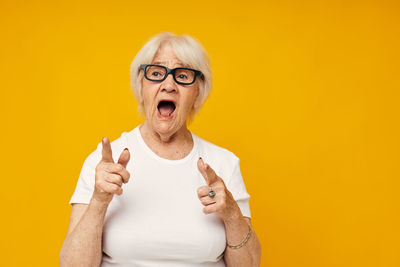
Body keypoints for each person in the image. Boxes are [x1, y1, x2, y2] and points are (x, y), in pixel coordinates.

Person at [59, 32, 261, 267]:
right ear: (140, 86)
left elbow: (250, 265)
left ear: (198, 93)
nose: (168, 85)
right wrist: (98, 200)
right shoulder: (103, 163)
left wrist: (232, 214)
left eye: (183, 76)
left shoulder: (224, 163)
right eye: (156, 74)